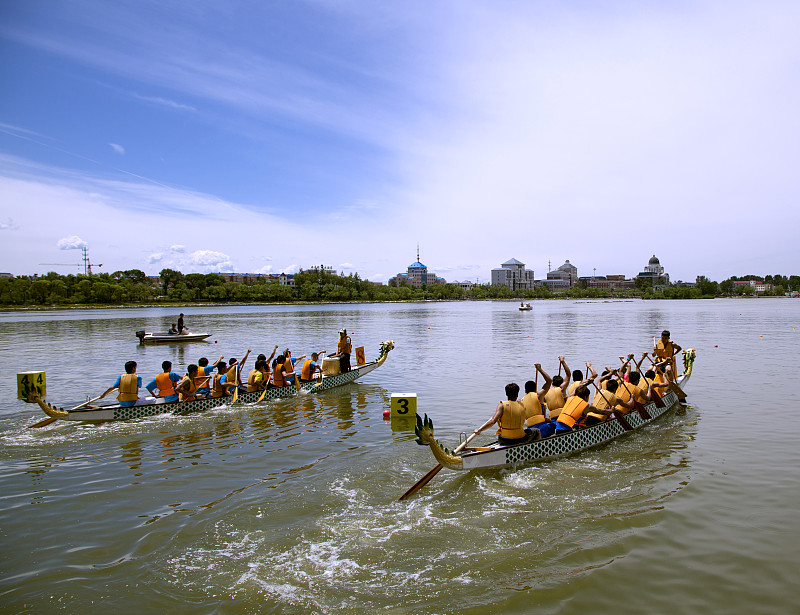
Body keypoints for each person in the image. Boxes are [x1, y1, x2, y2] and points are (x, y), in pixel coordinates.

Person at [473, 383, 540, 446]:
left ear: (506, 394)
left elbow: (492, 421)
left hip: (505, 440)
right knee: (536, 431)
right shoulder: (522, 405)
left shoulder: (501, 406)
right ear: (517, 394)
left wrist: (479, 430)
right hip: (520, 438)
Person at [521, 363, 553, 436]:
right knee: (555, 426)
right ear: (535, 389)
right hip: (543, 428)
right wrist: (540, 369)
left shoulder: (521, 401)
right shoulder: (538, 395)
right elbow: (549, 381)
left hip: (530, 430)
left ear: (525, 391)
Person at [543, 356, 571, 421]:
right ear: (561, 384)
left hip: (553, 418)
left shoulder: (545, 393)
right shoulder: (562, 389)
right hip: (564, 416)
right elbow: (568, 375)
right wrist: (562, 361)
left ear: (552, 384)